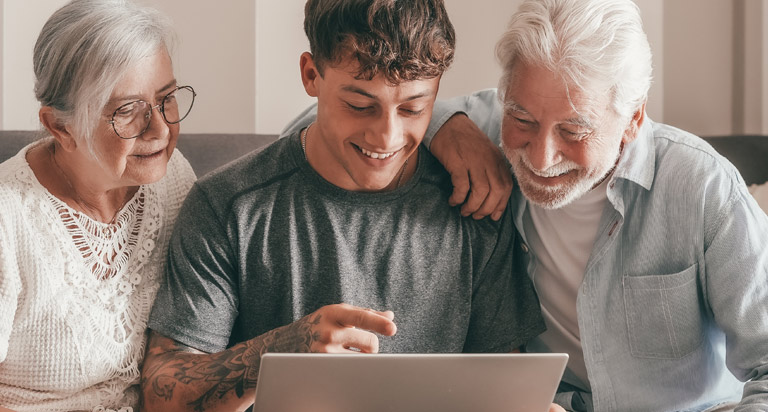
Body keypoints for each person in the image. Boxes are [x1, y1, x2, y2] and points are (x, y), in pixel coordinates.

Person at [139, 1, 547, 411]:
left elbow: (504, 386)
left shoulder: (475, 205)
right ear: (311, 75)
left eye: (413, 108)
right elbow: (161, 395)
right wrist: (281, 351)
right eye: (360, 105)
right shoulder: (227, 204)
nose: (387, 137)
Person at [418, 0, 768, 410]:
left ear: (633, 119)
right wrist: (445, 128)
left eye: (574, 130)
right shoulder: (485, 128)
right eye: (523, 120)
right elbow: (338, 113)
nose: (540, 158)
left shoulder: (706, 187)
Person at [0, 0, 197, 410]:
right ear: (61, 126)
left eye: (167, 98)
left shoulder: (173, 177)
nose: (160, 129)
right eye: (128, 111)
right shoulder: (8, 217)